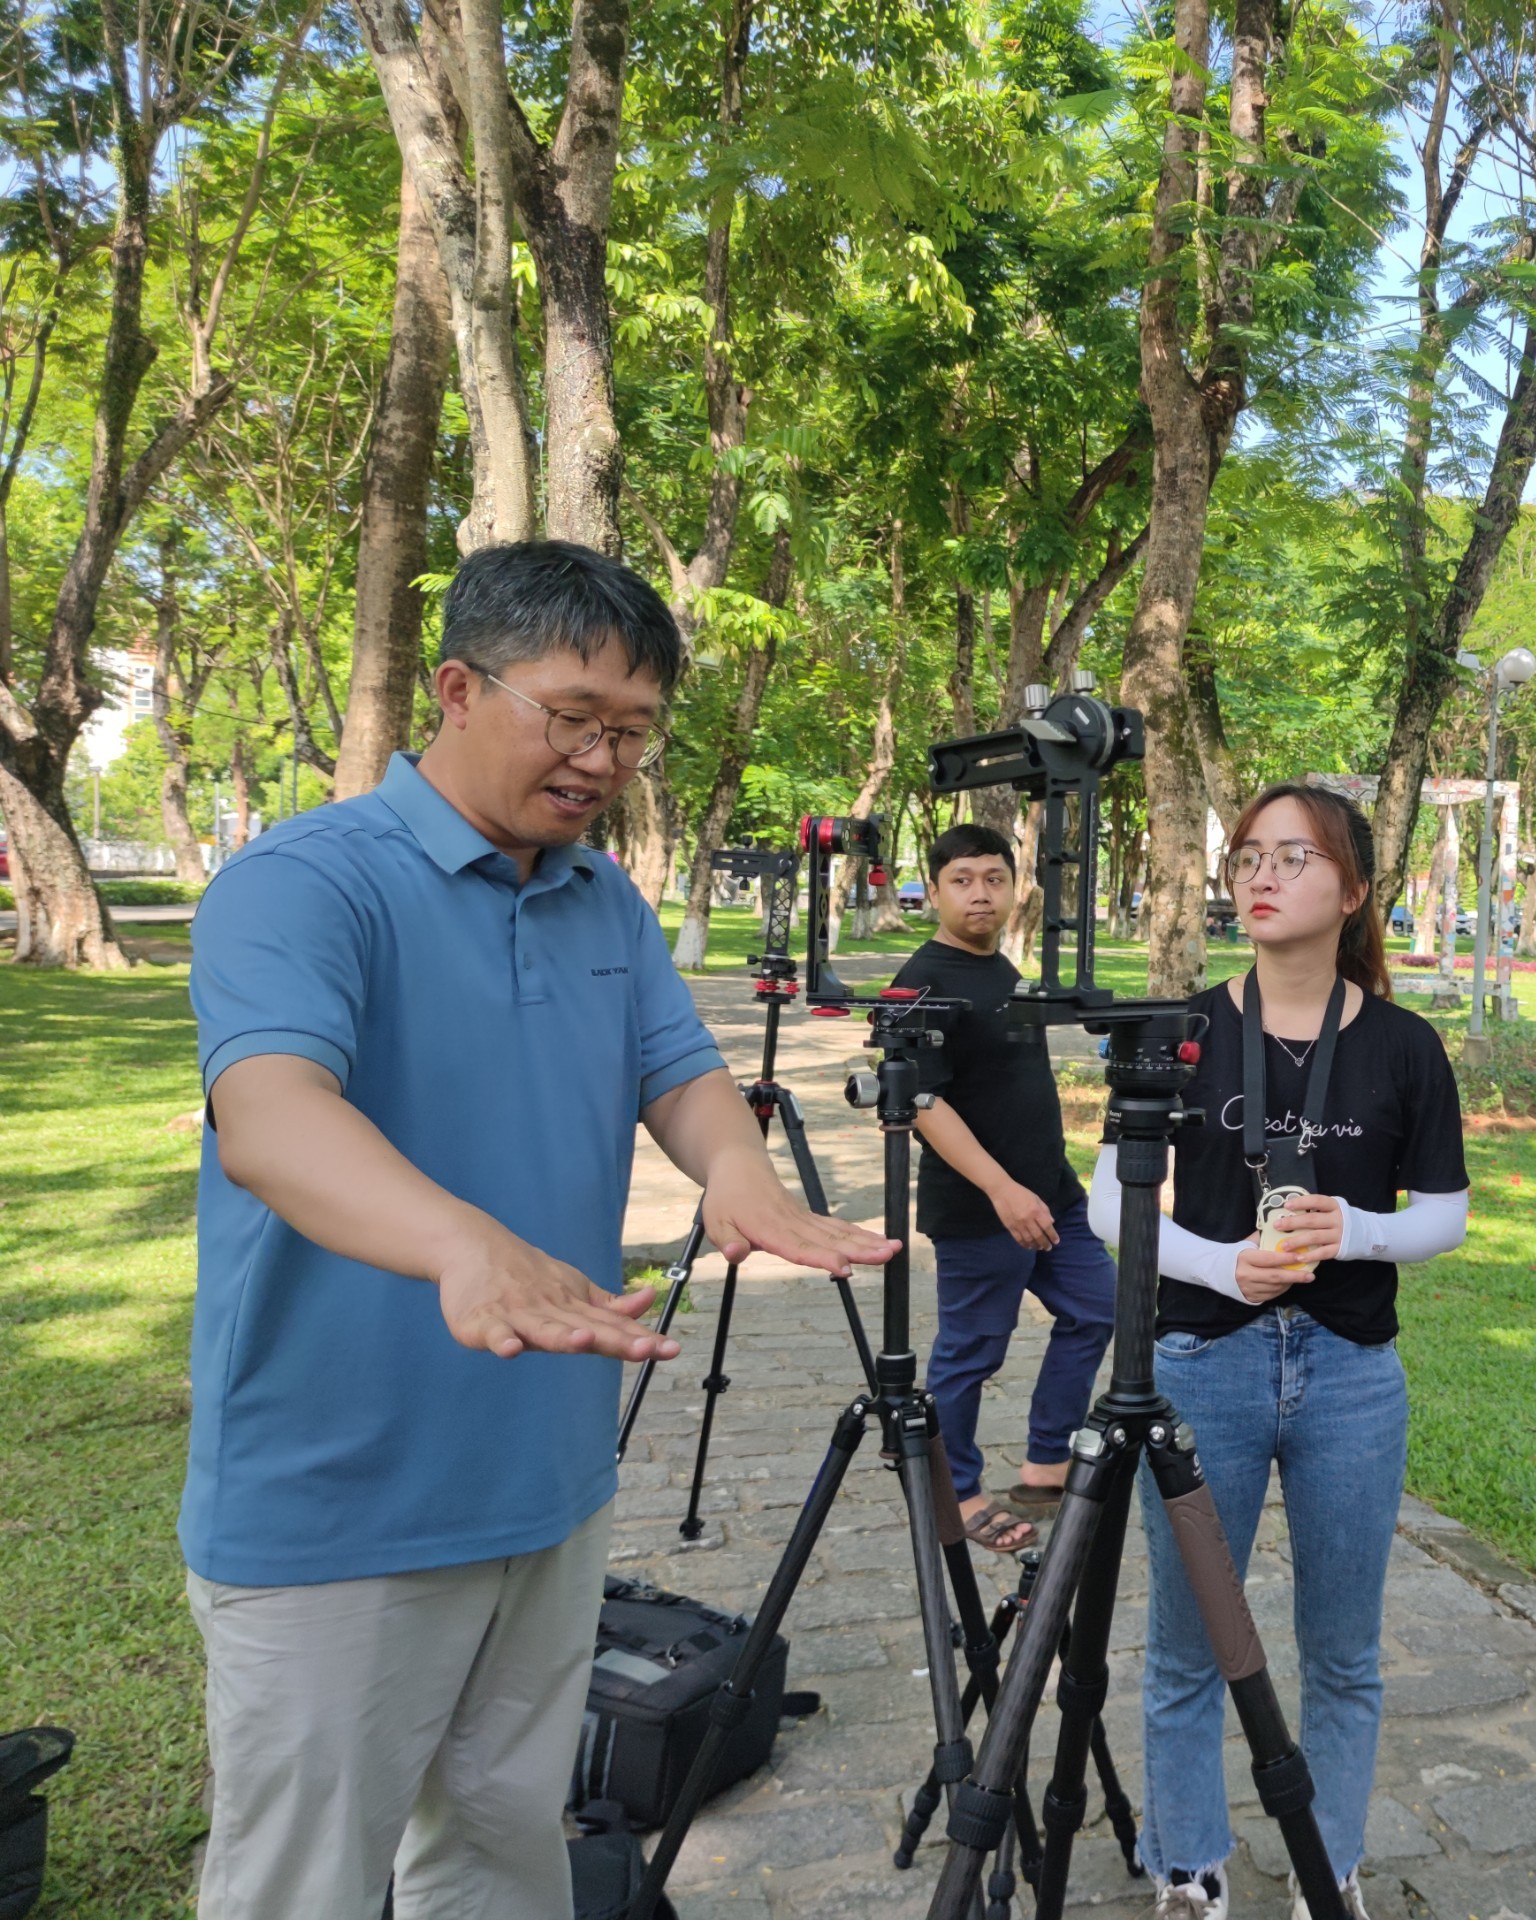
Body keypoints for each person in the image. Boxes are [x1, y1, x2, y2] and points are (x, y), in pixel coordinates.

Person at [181, 541, 898, 1920]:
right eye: (573, 719)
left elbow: (681, 1074)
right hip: (339, 1500)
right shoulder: (305, 882)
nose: (601, 762)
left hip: (547, 1483)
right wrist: (464, 1243)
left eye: (632, 735)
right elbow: (270, 1114)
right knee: (302, 1884)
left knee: (504, 1848)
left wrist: (738, 1177)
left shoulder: (602, 897)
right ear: (456, 686)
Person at [1088, 784, 1469, 1920]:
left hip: (1351, 1370)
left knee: (1343, 1653)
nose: (1260, 875)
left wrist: (1353, 1231)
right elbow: (1111, 1203)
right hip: (1204, 1361)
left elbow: (1445, 1214)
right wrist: (1220, 1267)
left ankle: (1327, 1867)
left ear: (1351, 892)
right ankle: (1189, 1869)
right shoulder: (1180, 1033)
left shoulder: (1403, 1044)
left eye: (1293, 858)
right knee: (1189, 1648)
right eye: (1248, 855)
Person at [891, 821, 1117, 1554]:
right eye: (962, 880)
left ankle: (1046, 1463)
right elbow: (924, 1104)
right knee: (972, 1351)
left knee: (1096, 1306)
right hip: (982, 1205)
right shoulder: (921, 980)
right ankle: (954, 1493)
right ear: (934, 892)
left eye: (994, 878)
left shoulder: (1005, 969)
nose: (980, 894)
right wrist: (1002, 1190)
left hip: (1052, 1190)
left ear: (1016, 887)